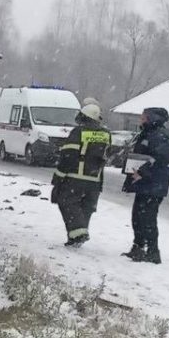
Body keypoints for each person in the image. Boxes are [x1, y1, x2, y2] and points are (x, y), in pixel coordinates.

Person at [50, 103, 111, 247]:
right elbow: (106, 155)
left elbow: (68, 155)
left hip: (75, 178)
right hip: (95, 179)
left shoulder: (78, 132)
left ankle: (79, 234)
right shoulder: (106, 134)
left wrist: (59, 176)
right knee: (86, 207)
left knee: (67, 202)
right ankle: (76, 237)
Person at [122, 107, 169, 264]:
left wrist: (141, 172)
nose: (141, 119)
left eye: (144, 117)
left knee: (148, 218)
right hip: (145, 183)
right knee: (138, 216)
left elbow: (158, 159)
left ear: (152, 118)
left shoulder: (160, 136)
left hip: (153, 184)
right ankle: (138, 247)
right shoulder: (148, 133)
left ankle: (152, 251)